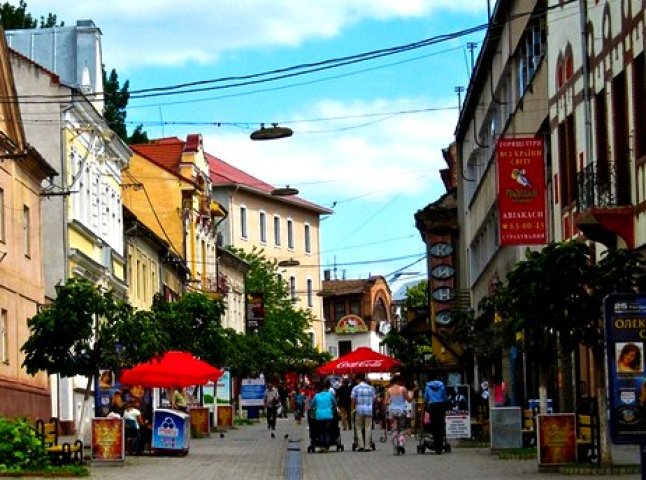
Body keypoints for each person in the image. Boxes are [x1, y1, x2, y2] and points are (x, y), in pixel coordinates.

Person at [385, 374, 416, 454]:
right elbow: (409, 400)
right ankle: (401, 443)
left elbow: (386, 402)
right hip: (401, 410)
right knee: (402, 429)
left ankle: (395, 446)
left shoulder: (389, 390)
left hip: (392, 411)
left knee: (394, 429)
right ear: (398, 381)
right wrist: (412, 394)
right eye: (401, 381)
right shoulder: (403, 389)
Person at [350, 373, 376, 452]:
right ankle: (367, 446)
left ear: (358, 379)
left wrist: (354, 407)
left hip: (359, 410)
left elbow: (353, 400)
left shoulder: (356, 388)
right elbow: (374, 399)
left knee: (358, 428)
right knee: (368, 428)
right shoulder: (371, 388)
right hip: (368, 410)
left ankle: (360, 445)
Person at [423, 376, 448, 454]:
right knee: (441, 425)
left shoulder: (428, 387)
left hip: (432, 407)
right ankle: (440, 447)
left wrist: (429, 400)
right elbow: (445, 397)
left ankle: (436, 445)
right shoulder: (442, 386)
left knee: (434, 425)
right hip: (440, 406)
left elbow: (426, 398)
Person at [310, 382, 337, 452]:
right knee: (327, 431)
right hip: (328, 415)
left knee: (321, 431)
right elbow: (335, 403)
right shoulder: (330, 395)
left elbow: (312, 405)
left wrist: (314, 409)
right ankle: (327, 446)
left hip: (319, 415)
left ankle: (322, 446)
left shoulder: (316, 396)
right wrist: (332, 408)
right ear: (326, 389)